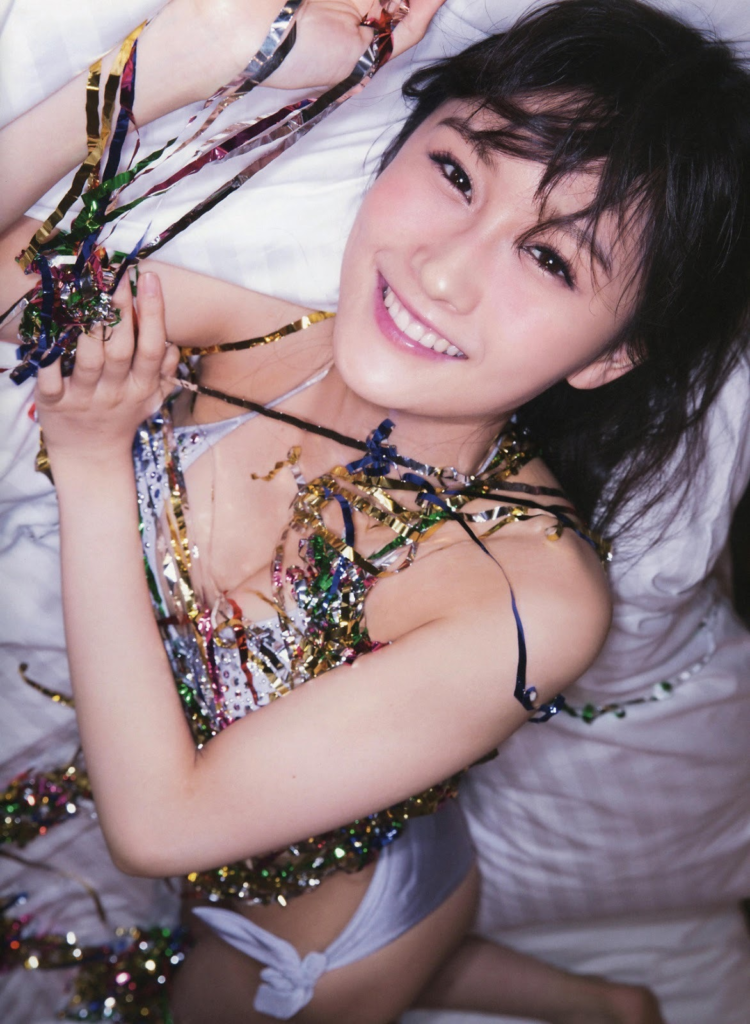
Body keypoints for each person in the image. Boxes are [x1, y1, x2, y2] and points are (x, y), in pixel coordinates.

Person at [17, 0, 750, 1021]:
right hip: (292, 830)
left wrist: (94, 463)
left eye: (551, 260)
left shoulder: (532, 600)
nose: (442, 271)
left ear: (610, 355)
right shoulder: (278, 344)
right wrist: (186, 57)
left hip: (326, 946)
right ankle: (590, 1001)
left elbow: (157, 827)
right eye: (456, 173)